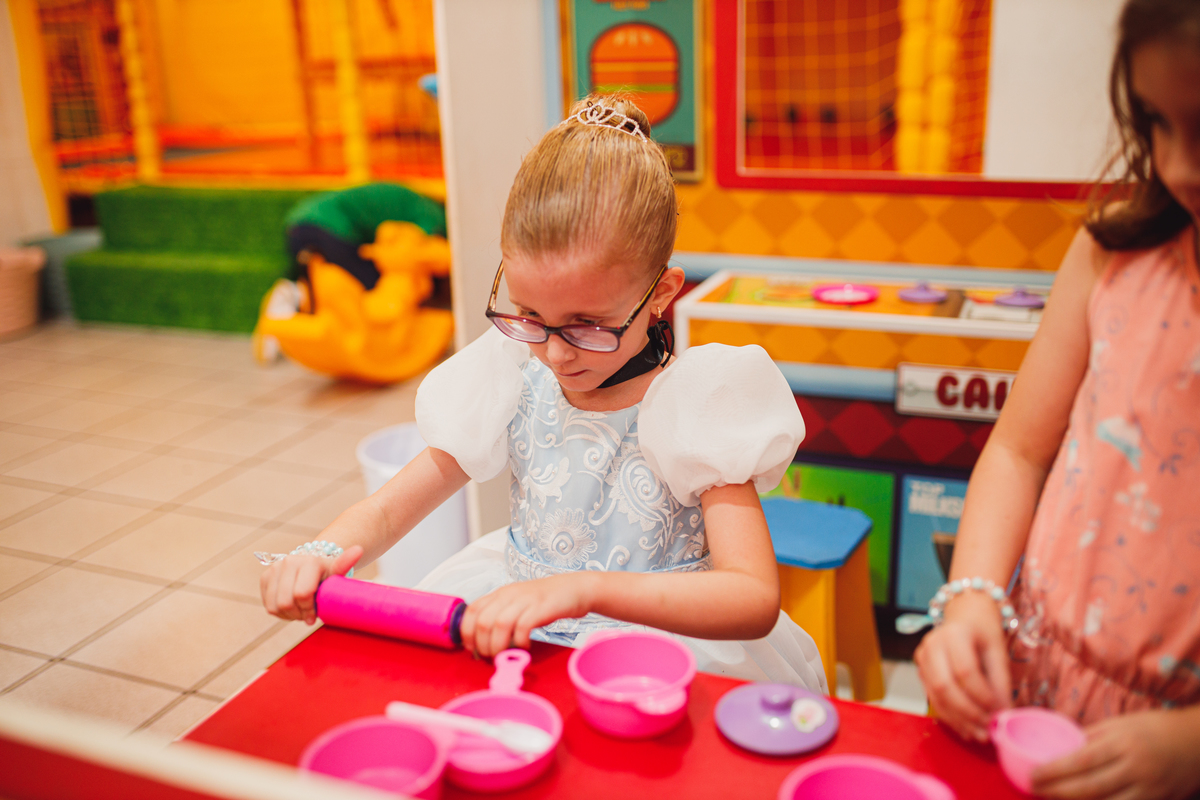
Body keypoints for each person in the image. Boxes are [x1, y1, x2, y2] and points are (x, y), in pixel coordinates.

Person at [258, 95, 827, 691]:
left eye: (588, 325)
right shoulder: (510, 377)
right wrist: (320, 553)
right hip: (527, 650)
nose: (555, 354)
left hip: (655, 666)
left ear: (661, 293)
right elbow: (385, 510)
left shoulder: (697, 404)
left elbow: (751, 596)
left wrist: (586, 590)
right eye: (530, 316)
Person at [914, 1, 1200, 797]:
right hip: (1032, 681)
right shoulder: (1113, 252)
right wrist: (971, 599)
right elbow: (1018, 450)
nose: (1179, 166)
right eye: (1157, 122)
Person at [285, 182, 446, 290]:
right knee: (372, 284)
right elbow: (415, 251)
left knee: (319, 285)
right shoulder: (433, 215)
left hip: (300, 222)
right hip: (327, 224)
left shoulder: (413, 203)